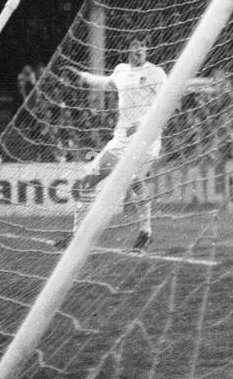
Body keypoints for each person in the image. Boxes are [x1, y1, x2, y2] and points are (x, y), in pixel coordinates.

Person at [61, 36, 219, 252]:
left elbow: (167, 101)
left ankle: (145, 232)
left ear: (147, 50)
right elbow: (104, 83)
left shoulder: (155, 73)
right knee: (88, 181)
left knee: (132, 178)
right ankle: (77, 237)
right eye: (135, 48)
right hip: (120, 139)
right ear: (128, 49)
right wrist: (81, 75)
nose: (139, 52)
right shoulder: (121, 70)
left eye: (143, 48)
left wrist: (143, 123)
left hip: (147, 138)